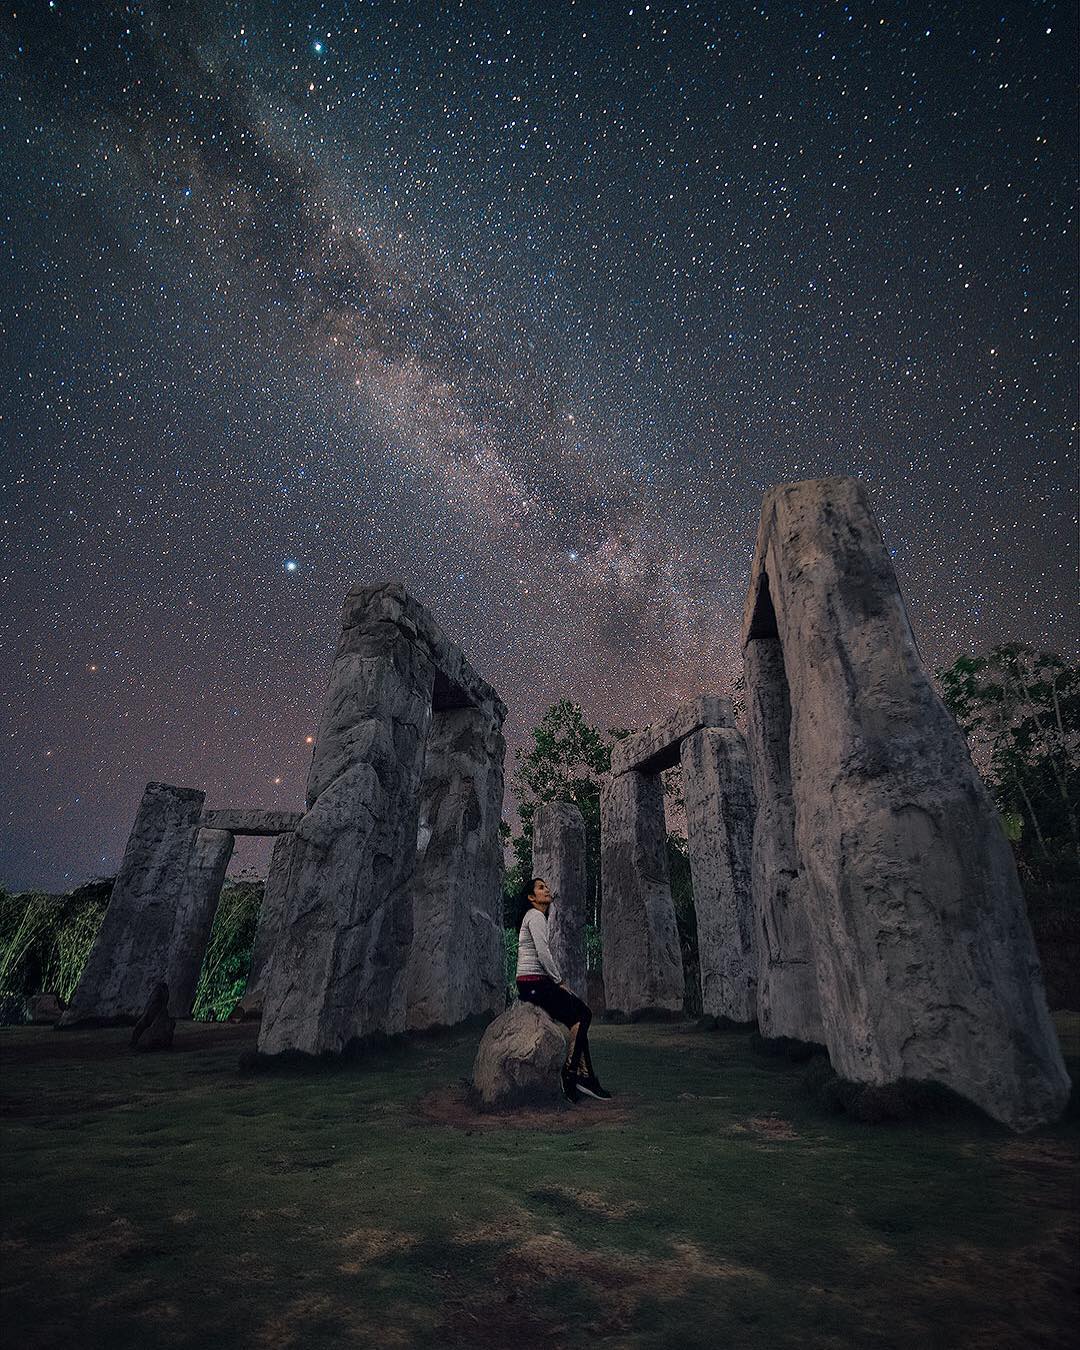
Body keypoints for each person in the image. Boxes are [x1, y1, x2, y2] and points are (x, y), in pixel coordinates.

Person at [515, 876, 611, 1102]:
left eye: (546, 886)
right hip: (534, 984)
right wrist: (559, 981)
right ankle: (572, 1075)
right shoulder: (536, 916)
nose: (546, 890)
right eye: (540, 888)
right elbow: (543, 954)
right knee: (583, 1014)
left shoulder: (536, 916)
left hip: (534, 983)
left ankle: (585, 1077)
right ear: (531, 897)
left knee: (580, 1018)